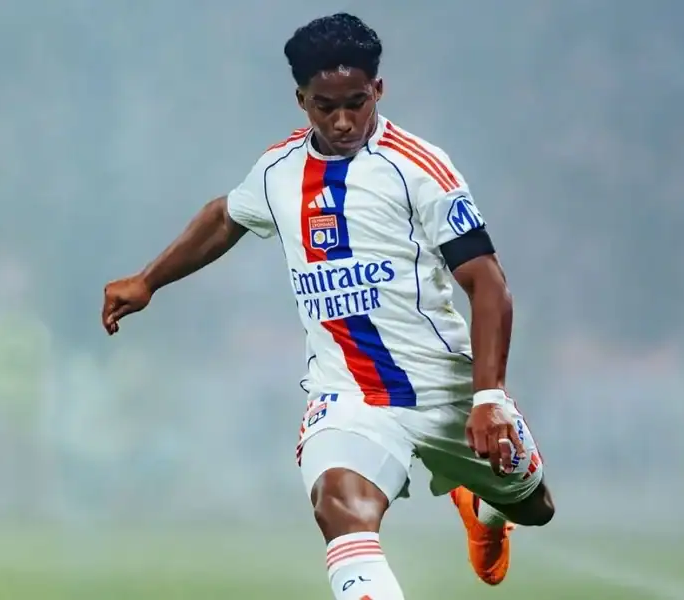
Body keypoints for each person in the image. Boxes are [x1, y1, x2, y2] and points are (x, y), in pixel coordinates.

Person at [101, 13, 554, 599]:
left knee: (536, 507)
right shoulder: (279, 171)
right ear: (301, 101)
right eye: (325, 106)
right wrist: (148, 281)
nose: (342, 121)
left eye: (356, 103)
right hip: (347, 395)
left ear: (378, 90)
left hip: (444, 388)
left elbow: (488, 284)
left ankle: (486, 508)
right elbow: (225, 216)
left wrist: (490, 399)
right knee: (339, 505)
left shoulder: (421, 169)